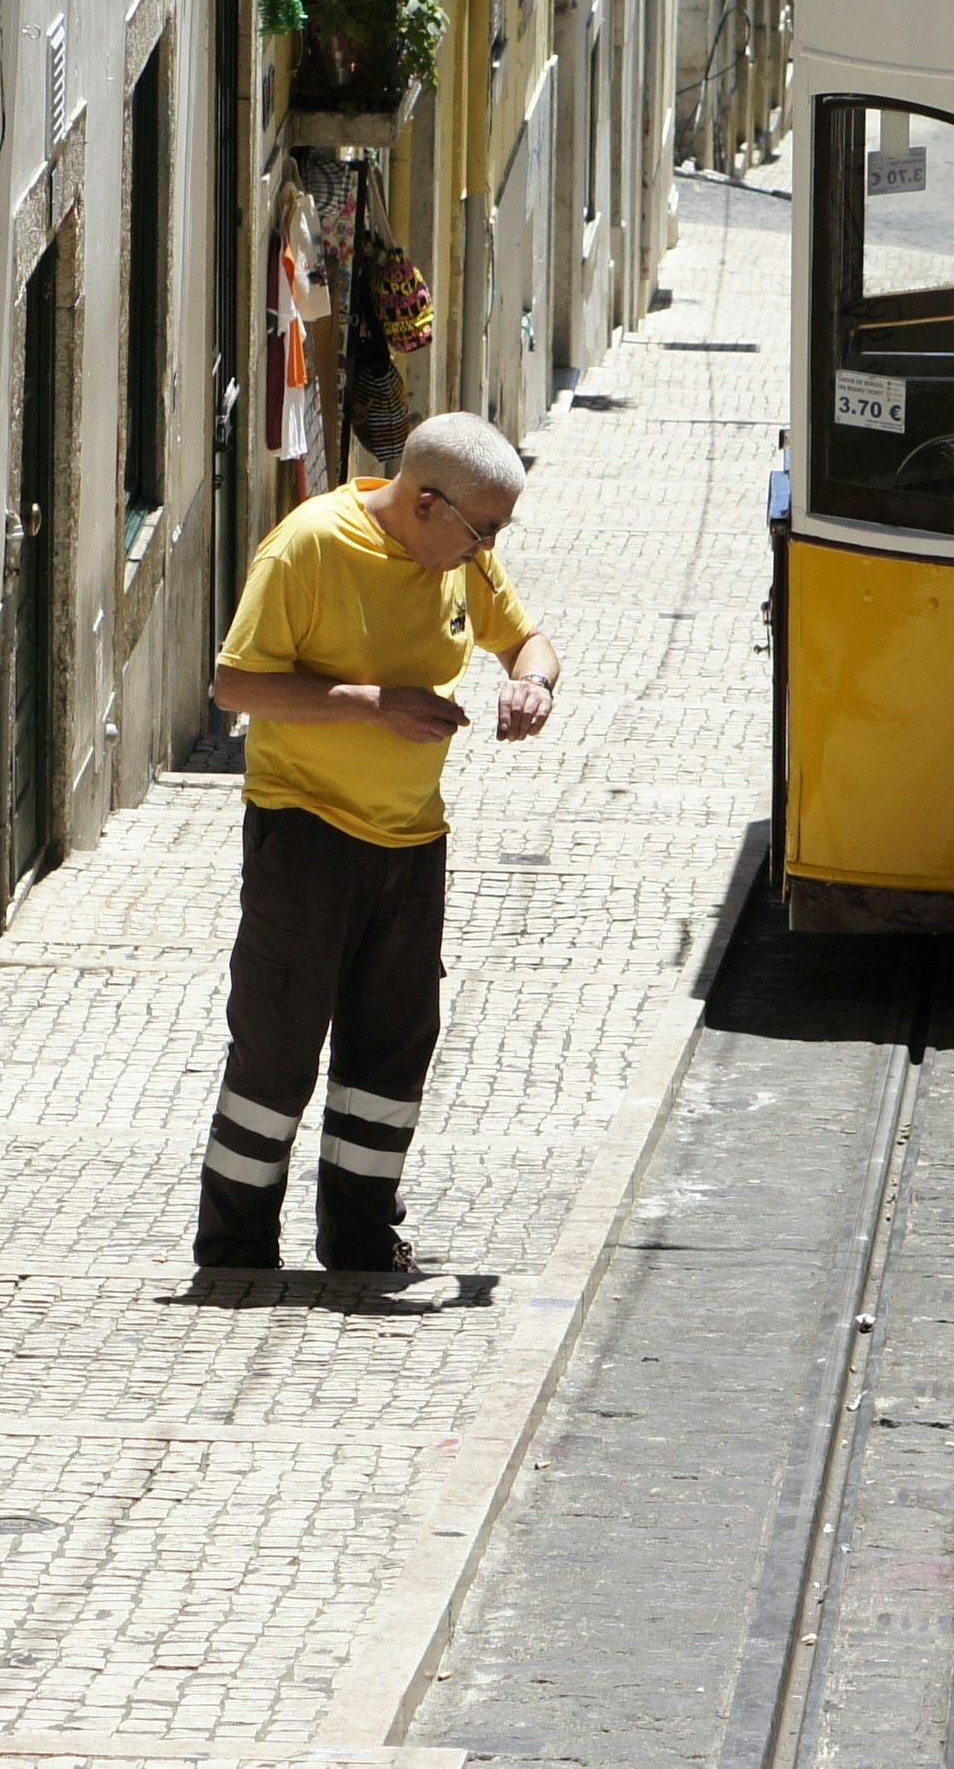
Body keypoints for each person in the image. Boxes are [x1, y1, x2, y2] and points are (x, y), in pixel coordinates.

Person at [197, 410, 563, 1272]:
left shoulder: (459, 557)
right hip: (307, 833)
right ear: (427, 502)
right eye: (483, 530)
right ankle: (236, 1245)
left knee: (393, 1043)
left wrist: (533, 684)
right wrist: (375, 702)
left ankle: (360, 1238)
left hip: (412, 843)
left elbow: (527, 639)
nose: (487, 551)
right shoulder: (308, 548)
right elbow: (234, 684)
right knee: (279, 1043)